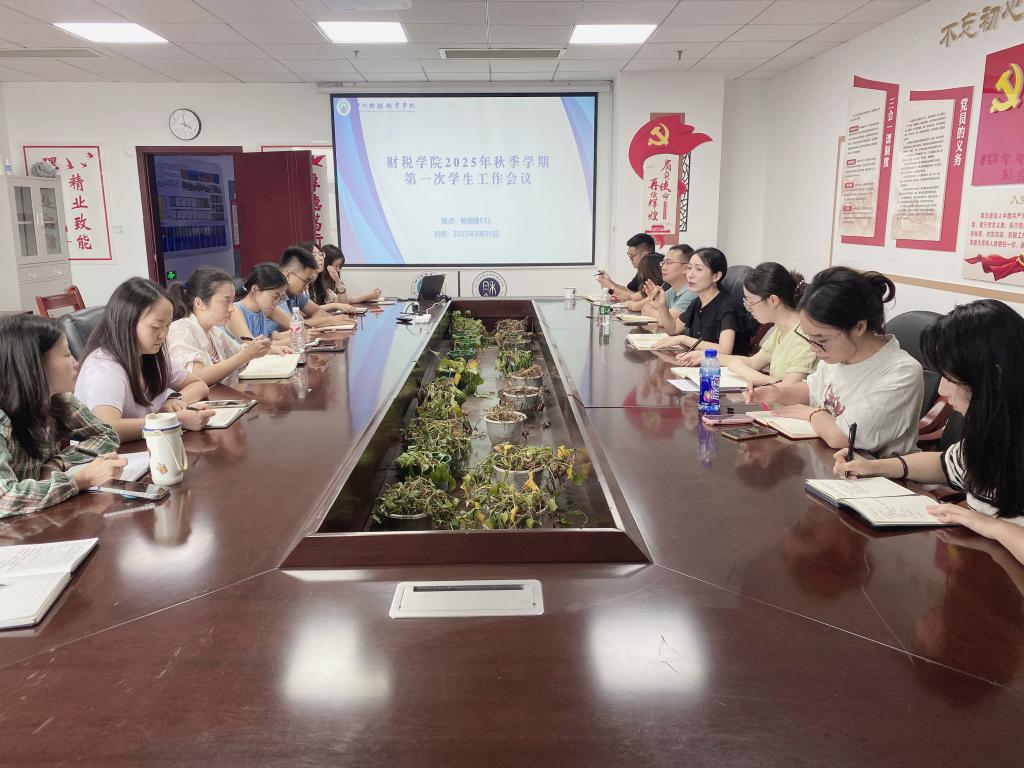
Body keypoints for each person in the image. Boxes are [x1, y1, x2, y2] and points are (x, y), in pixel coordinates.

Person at [833, 299, 1024, 565]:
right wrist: (874, 467)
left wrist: (993, 526)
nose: (943, 390)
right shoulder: (996, 424)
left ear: (996, 377)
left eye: (951, 378)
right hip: (983, 561)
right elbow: (946, 465)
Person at [746, 266, 922, 457]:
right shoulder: (838, 354)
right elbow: (812, 390)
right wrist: (777, 392)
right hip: (826, 459)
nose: (813, 348)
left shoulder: (901, 372)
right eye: (809, 338)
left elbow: (842, 437)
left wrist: (812, 413)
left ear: (859, 327)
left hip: (873, 470)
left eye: (821, 339)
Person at [0, 315, 127, 516]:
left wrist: (57, 462)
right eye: (67, 354)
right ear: (35, 364)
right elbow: (5, 498)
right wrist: (82, 479)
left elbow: (107, 435)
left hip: (38, 518)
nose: (76, 363)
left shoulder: (58, 399)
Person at [75, 277, 214, 442]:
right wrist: (174, 420)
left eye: (168, 325)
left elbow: (199, 385)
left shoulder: (149, 354)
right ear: (127, 322)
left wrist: (175, 400)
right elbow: (107, 428)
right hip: (111, 454)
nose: (163, 335)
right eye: (156, 327)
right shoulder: (103, 367)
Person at [167, 267, 280, 387]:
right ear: (199, 303)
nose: (231, 309)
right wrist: (247, 354)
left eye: (232, 301)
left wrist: (261, 348)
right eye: (226, 301)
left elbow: (239, 352)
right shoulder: (180, 330)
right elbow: (196, 377)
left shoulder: (213, 331)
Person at [716, 262, 817, 386]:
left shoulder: (804, 335)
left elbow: (789, 389)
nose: (748, 308)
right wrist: (706, 357)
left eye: (750, 302)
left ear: (773, 300)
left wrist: (744, 371)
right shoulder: (781, 328)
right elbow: (753, 362)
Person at [651, 247, 749, 359]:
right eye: (689, 268)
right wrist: (661, 306)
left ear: (716, 276)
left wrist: (683, 339)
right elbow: (673, 329)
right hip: (699, 362)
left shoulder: (727, 306)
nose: (690, 275)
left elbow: (724, 350)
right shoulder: (697, 302)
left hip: (722, 367)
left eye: (698, 269)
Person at [272, 246, 355, 329]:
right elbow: (291, 327)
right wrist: (326, 321)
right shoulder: (276, 293)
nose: (307, 287)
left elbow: (318, 311)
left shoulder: (296, 294)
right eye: (305, 281)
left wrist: (315, 322)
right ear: (289, 275)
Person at [228, 262, 291, 342]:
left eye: (281, 298)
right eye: (275, 296)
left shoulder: (263, 308)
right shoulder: (235, 311)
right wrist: (290, 341)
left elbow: (295, 326)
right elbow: (252, 346)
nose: (276, 303)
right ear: (254, 289)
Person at [627, 246, 693, 322]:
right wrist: (660, 316)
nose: (663, 268)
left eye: (669, 263)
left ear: (686, 268)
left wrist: (660, 316)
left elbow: (669, 322)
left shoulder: (691, 292)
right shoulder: (672, 290)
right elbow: (645, 307)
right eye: (663, 263)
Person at [596, 233, 660, 301]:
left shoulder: (656, 270)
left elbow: (636, 297)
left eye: (632, 256)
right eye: (629, 256)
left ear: (645, 254)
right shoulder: (642, 270)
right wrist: (610, 282)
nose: (630, 259)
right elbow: (630, 291)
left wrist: (610, 286)